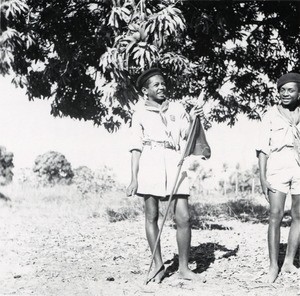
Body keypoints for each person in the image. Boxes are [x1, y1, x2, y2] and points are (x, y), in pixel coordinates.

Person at [126, 68, 203, 283]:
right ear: (145, 90)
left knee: (184, 217)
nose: (161, 87)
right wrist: (134, 177)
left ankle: (184, 268)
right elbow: (135, 147)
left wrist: (194, 118)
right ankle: (158, 266)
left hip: (174, 159)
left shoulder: (177, 108)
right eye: (156, 85)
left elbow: (188, 136)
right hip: (150, 159)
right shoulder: (139, 113)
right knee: (151, 216)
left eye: (163, 83)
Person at [257, 72, 300, 283]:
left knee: (298, 214)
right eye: (282, 90)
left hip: (299, 164)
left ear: (299, 93)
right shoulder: (270, 114)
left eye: (290, 90)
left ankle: (289, 262)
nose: (285, 93)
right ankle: (273, 266)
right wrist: (263, 178)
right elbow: (262, 149)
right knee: (275, 215)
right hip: (278, 164)